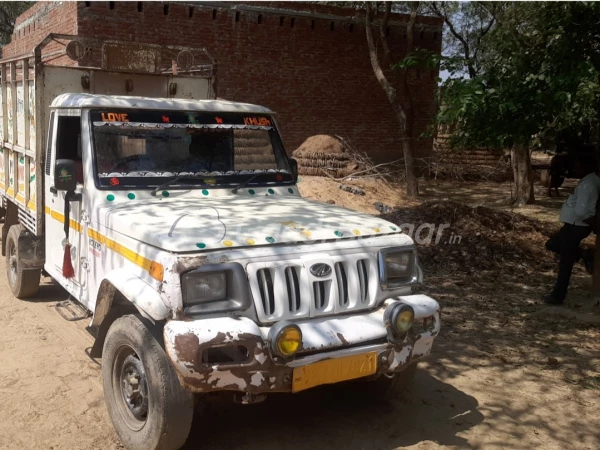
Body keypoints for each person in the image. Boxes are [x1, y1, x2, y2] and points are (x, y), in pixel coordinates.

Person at [544, 153, 600, 305]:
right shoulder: (589, 181)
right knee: (552, 244)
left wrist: (594, 227)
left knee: (565, 262)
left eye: (579, 166)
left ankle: (558, 296)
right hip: (573, 224)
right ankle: (584, 254)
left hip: (577, 225)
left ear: (588, 167)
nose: (576, 169)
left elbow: (582, 212)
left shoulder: (588, 184)